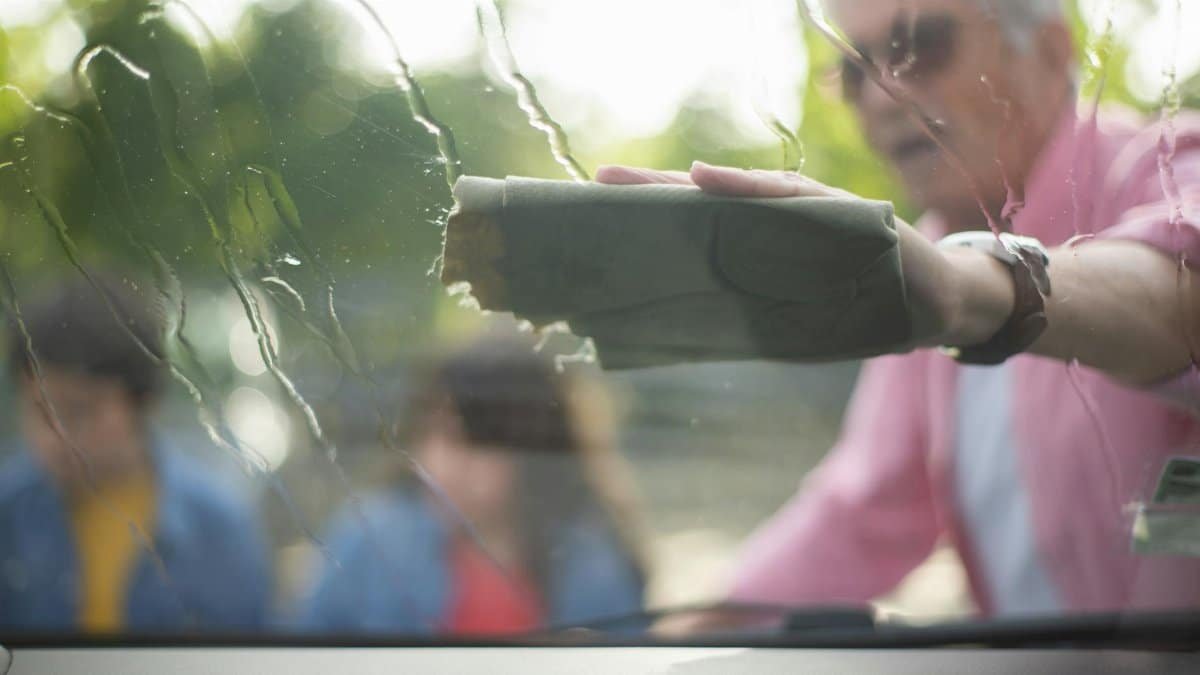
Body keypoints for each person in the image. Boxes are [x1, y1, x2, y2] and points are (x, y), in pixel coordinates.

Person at [597, 0, 1200, 622]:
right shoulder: (934, 250)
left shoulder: (1168, 168)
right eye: (854, 73)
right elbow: (863, 512)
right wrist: (689, 637)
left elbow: (1180, 293)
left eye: (922, 46)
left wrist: (976, 288)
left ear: (1048, 51)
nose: (884, 94)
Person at [295, 333, 647, 634]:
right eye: (431, 432)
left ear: (533, 451)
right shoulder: (370, 542)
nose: (441, 463)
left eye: (475, 441)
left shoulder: (593, 566)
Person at [0, 275, 271, 632]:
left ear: (143, 403)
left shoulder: (217, 531)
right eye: (40, 411)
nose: (56, 436)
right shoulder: (8, 514)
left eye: (79, 412)